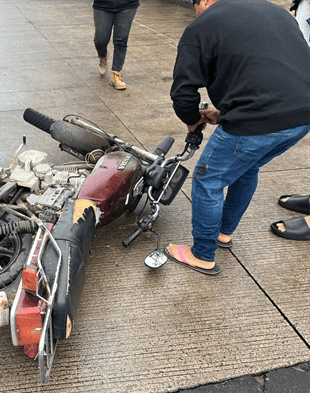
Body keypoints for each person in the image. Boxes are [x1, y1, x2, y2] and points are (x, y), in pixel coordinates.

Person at [165, 0, 310, 275]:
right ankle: (223, 233)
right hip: (303, 116)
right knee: (247, 166)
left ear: (204, 1)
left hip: (257, 119)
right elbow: (269, 70)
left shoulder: (201, 26)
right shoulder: (275, 11)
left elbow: (183, 95)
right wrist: (226, 112)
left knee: (208, 179)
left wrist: (193, 121)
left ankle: (202, 255)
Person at [93, 0, 139, 90]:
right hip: (103, 4)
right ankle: (103, 56)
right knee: (100, 40)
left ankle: (116, 74)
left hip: (128, 4)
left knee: (121, 40)